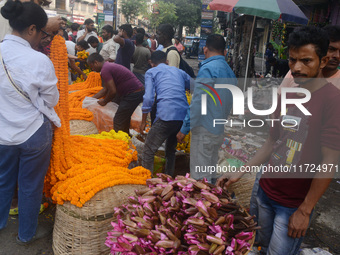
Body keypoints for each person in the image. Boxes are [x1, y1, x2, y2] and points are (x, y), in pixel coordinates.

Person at [217, 26, 340, 255]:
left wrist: (305, 209)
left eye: (306, 60)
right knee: (258, 246)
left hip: (292, 204)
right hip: (265, 191)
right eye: (293, 60)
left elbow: (330, 161)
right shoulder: (286, 94)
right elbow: (272, 143)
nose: (297, 68)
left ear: (323, 61)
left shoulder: (333, 101)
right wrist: (241, 172)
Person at [0, 0, 60, 245]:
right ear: (32, 29)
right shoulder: (39, 61)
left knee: (3, 181)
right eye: (44, 33)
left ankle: (1, 223)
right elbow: (51, 99)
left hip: (2, 134)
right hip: (34, 133)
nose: (43, 39)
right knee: (30, 187)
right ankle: (25, 234)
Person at [176, 34, 236, 183]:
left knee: (200, 179)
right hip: (218, 130)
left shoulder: (208, 68)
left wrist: (184, 129)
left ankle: (203, 204)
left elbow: (198, 102)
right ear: (225, 52)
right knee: (209, 174)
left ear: (205, 49)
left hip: (205, 129)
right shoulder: (230, 71)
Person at [140, 51, 190, 176]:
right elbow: (193, 86)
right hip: (182, 116)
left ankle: (147, 185)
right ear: (166, 62)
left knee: (148, 151)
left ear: (151, 63)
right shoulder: (180, 72)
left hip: (166, 115)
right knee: (170, 151)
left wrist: (143, 122)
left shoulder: (151, 72)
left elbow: (148, 99)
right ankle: (169, 178)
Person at [88, 53, 144, 134]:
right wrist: (91, 99)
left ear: (96, 62)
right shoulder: (108, 66)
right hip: (136, 92)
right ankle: (126, 137)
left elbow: (112, 91)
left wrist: (105, 101)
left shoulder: (105, 70)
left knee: (119, 119)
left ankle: (120, 141)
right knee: (125, 117)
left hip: (133, 93)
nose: (92, 69)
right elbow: (105, 89)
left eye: (92, 66)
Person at [279, 25, 340, 92]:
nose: (337, 56)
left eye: (306, 60)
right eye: (331, 49)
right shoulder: (295, 73)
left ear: (324, 61)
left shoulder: (335, 96)